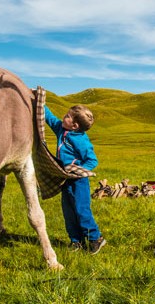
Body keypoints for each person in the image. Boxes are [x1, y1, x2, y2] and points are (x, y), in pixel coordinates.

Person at [44, 103, 105, 254]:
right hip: (65, 179)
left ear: (75, 125)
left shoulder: (81, 140)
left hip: (79, 181)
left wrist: (78, 170)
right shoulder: (61, 129)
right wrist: (39, 100)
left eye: (67, 116)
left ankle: (95, 238)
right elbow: (50, 118)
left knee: (81, 210)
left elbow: (92, 160)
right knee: (69, 211)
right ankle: (76, 241)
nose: (63, 117)